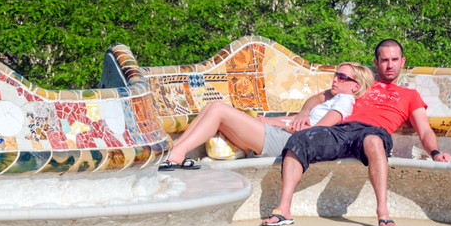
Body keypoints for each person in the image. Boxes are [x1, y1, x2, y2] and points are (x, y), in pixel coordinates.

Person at [261, 39, 451, 226]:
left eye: (394, 59)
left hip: (373, 132)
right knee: (301, 139)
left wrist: (435, 152)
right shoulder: (361, 84)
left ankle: (383, 212)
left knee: (374, 142)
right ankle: (284, 209)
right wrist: (304, 112)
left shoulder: (410, 95)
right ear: (376, 63)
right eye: (384, 60)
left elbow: (425, 130)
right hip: (341, 130)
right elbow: (318, 98)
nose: (390, 65)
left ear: (402, 61)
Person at [158, 62, 375, 170]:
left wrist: (279, 124)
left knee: (218, 109)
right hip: (281, 135)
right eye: (335, 74)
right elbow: (310, 110)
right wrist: (281, 117)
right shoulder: (333, 97)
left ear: (355, 86)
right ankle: (175, 153)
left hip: (287, 141)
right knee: (211, 107)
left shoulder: (345, 101)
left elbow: (318, 132)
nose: (335, 79)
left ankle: (176, 153)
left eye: (341, 76)